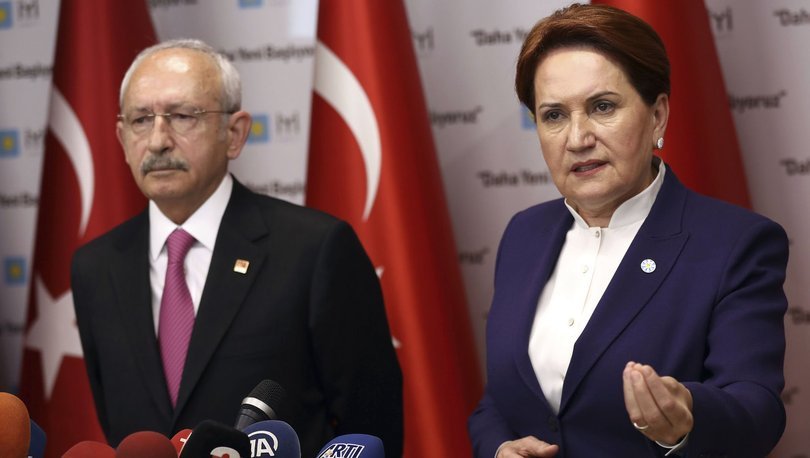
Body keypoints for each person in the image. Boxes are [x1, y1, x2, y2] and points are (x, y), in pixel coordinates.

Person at [468, 4, 788, 457]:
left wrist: (686, 419)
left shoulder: (736, 244)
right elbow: (498, 400)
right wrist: (499, 448)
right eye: (554, 115)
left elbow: (758, 411)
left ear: (657, 116)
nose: (577, 138)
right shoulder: (524, 234)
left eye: (602, 107)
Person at [71, 39, 403, 457]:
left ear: (234, 133)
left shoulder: (315, 250)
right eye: (141, 120)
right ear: (122, 137)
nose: (157, 141)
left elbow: (371, 428)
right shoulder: (96, 268)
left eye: (182, 116)